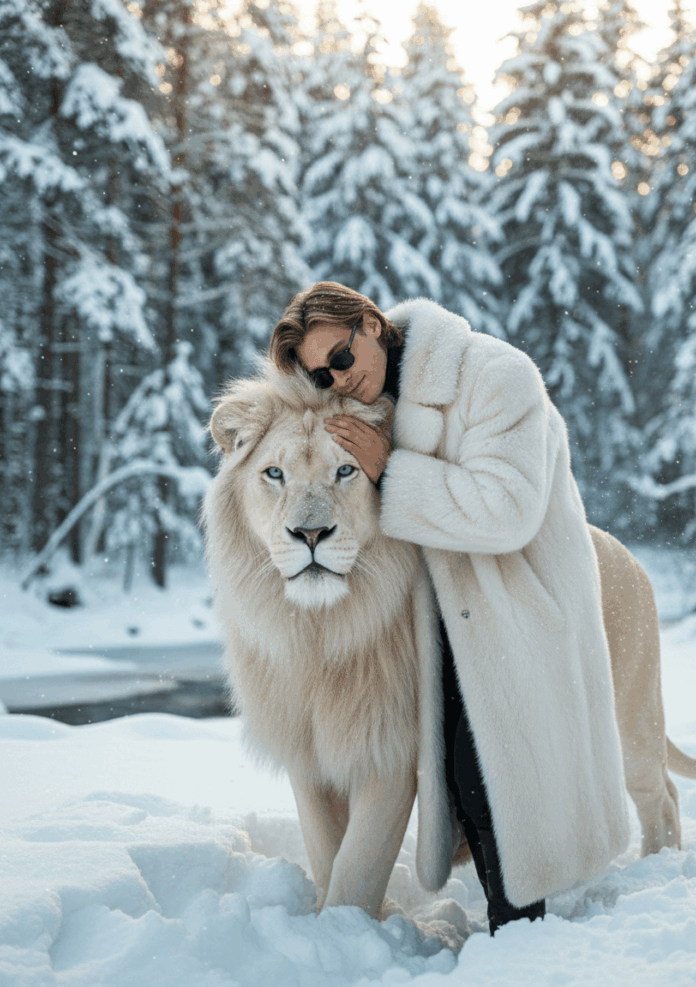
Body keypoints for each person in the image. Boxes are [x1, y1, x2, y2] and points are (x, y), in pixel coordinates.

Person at [269, 281, 631, 935]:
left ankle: (522, 936)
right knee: (460, 779)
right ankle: (514, 926)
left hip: (515, 610)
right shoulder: (375, 398)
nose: (336, 381)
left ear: (373, 325)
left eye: (341, 359)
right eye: (320, 374)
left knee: (489, 771)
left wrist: (392, 466)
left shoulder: (497, 374)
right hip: (437, 622)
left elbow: (507, 510)